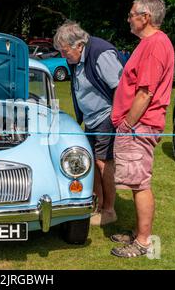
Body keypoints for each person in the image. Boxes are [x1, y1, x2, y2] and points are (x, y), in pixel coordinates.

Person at [110, 0, 174, 258]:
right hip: (138, 126)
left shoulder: (155, 44)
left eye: (131, 14)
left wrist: (127, 124)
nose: (128, 19)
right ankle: (138, 233)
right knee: (137, 182)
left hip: (139, 126)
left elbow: (145, 93)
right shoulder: (149, 43)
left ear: (145, 17)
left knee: (140, 184)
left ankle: (144, 242)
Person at [53, 21, 123, 226]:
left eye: (65, 51)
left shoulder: (101, 53)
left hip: (106, 116)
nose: (63, 56)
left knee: (104, 163)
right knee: (90, 162)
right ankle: (98, 205)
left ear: (79, 45)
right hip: (92, 118)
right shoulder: (77, 57)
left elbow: (121, 88)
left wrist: (116, 118)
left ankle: (109, 210)